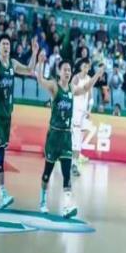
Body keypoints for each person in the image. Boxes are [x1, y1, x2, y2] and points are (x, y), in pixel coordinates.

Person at [36, 52, 105, 218]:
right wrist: (40, 63)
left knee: (67, 174)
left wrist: (97, 75)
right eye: (65, 70)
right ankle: (43, 201)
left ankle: (67, 206)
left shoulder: (72, 89)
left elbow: (86, 88)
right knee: (47, 173)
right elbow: (40, 81)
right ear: (59, 72)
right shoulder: (55, 87)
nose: (67, 72)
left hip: (66, 137)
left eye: (69, 70)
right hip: (54, 136)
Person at [0, 33, 39, 208]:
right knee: (0, 151)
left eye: (8, 44)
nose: (6, 46)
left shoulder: (13, 64)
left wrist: (34, 53)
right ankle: (2, 192)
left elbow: (29, 70)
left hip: (7, 114)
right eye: (3, 44)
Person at [71, 58, 93, 177]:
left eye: (87, 66)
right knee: (73, 138)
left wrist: (89, 110)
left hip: (83, 114)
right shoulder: (76, 78)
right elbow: (71, 93)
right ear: (81, 67)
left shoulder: (89, 79)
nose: (86, 68)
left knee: (78, 140)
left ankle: (74, 164)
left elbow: (91, 98)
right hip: (74, 112)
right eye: (84, 66)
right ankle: (67, 160)